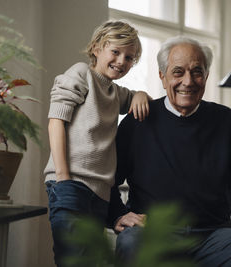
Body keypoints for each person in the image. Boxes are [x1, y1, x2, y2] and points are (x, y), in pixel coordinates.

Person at [107, 36, 231, 267]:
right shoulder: (138, 121)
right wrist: (117, 214)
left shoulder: (227, 122)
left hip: (213, 237)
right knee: (130, 242)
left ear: (206, 76)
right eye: (178, 72)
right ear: (162, 77)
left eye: (197, 72)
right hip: (153, 233)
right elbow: (107, 176)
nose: (188, 81)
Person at [43, 20, 151, 267]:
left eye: (129, 57)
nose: (122, 61)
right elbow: (55, 121)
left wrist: (141, 94)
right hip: (71, 184)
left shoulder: (115, 92)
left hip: (100, 193)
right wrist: (63, 177)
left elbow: (138, 99)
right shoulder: (81, 73)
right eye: (115, 52)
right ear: (96, 48)